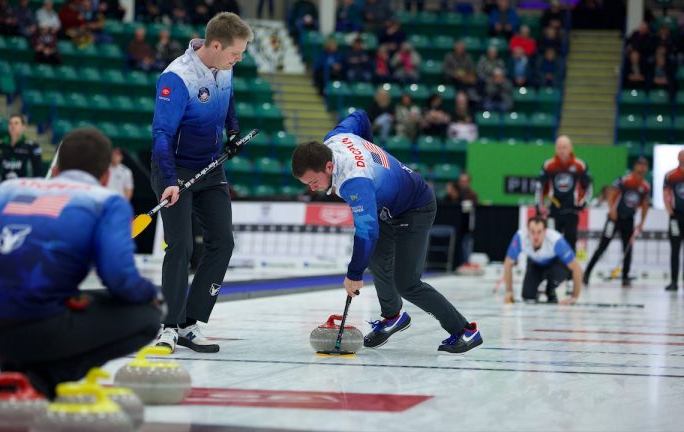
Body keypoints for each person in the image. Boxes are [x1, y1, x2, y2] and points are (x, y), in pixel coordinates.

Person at [0, 128, 163, 399]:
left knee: (46, 299)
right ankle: (40, 381)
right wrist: (152, 295)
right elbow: (118, 278)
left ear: (55, 169)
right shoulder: (107, 201)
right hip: (33, 327)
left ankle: (14, 372)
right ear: (105, 177)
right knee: (147, 317)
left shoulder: (8, 189)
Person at [290, 110, 483, 354]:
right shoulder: (335, 139)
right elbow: (360, 116)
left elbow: (366, 232)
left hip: (416, 206)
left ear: (329, 165)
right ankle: (393, 317)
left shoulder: (354, 181)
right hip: (388, 204)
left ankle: (465, 330)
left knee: (407, 283)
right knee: (377, 257)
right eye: (306, 184)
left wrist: (353, 274)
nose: (312, 187)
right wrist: (369, 146)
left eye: (313, 181)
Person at [151, 12, 253, 353]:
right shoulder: (177, 77)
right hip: (174, 170)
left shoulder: (225, 67)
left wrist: (234, 131)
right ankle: (168, 325)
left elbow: (228, 100)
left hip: (211, 169)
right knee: (181, 245)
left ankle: (189, 323)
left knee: (222, 242)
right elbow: (162, 134)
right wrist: (168, 180)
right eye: (235, 53)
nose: (238, 59)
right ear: (215, 44)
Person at [583, 157, 650, 287]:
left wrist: (642, 222)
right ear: (635, 166)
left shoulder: (645, 186)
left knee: (628, 249)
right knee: (602, 246)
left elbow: (645, 205)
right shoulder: (625, 180)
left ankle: (625, 277)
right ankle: (587, 273)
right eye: (640, 165)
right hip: (614, 219)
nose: (642, 168)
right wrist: (611, 209)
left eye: (644, 165)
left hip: (629, 220)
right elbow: (610, 192)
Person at [503, 215, 583, 304]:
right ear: (527, 230)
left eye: (539, 232)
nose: (535, 236)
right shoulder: (520, 237)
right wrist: (509, 291)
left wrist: (574, 297)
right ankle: (538, 290)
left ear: (545, 231)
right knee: (527, 296)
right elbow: (508, 263)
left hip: (555, 263)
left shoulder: (556, 240)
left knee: (554, 287)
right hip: (535, 264)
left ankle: (552, 288)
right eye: (532, 232)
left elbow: (577, 268)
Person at [536, 135, 592, 252]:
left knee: (570, 243)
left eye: (565, 147)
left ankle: (569, 270)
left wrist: (583, 203)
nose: (562, 150)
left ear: (571, 148)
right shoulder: (548, 165)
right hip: (554, 211)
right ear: (556, 149)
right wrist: (539, 206)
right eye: (559, 147)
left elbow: (589, 186)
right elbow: (539, 188)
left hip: (572, 211)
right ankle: (551, 270)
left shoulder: (580, 165)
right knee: (551, 242)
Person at [0, 115, 44, 187]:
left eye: (16, 123)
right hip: (4, 187)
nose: (13, 126)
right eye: (10, 123)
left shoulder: (31, 146)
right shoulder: (1, 145)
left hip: (23, 188)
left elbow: (38, 170)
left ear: (23, 127)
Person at [663, 150, 684, 292]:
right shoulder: (671, 175)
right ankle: (674, 282)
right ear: (678, 158)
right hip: (676, 216)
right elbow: (666, 195)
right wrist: (671, 213)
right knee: (675, 250)